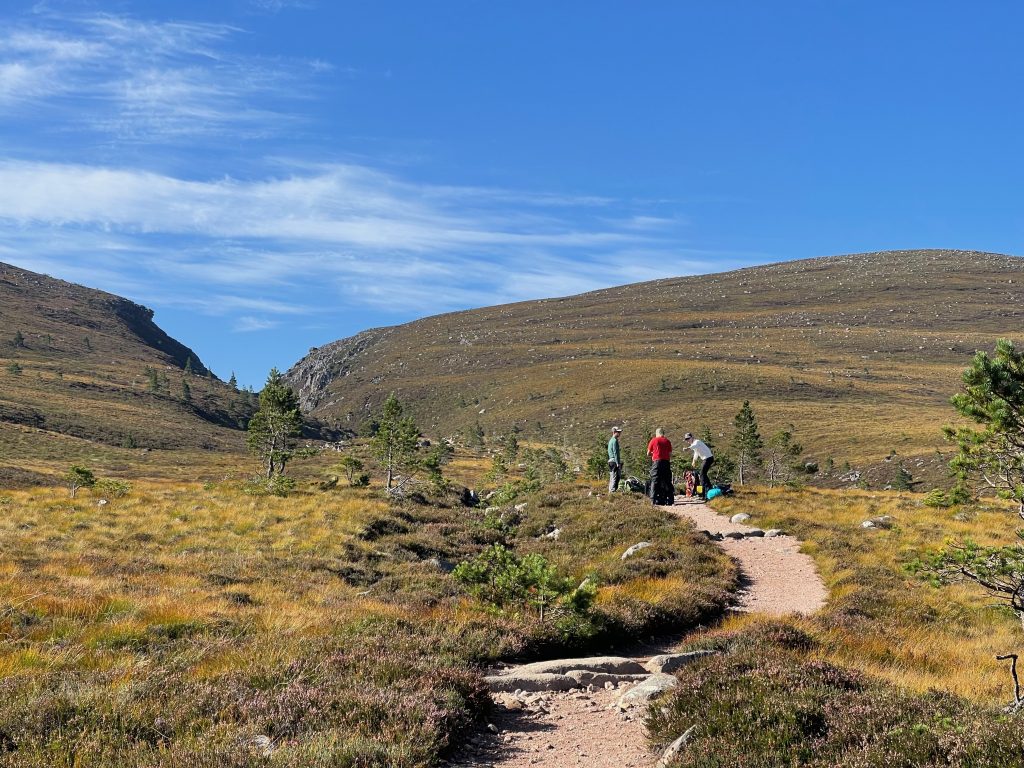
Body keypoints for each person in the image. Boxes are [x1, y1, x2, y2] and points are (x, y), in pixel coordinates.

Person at [646, 428, 673, 505]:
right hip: (666, 462)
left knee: (655, 480)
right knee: (667, 481)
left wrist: (653, 454)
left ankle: (653, 500)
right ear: (663, 433)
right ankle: (670, 500)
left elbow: (648, 453)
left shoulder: (654, 440)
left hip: (657, 462)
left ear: (657, 433)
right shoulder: (667, 441)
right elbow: (670, 454)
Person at [684, 432, 714, 500]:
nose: (687, 440)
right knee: (703, 474)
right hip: (707, 459)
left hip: (708, 458)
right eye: (686, 439)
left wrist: (688, 448)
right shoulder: (694, 444)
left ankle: (704, 494)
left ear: (692, 437)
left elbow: (694, 447)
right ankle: (709, 489)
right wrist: (694, 461)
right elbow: (696, 452)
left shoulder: (697, 442)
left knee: (702, 475)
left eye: (688, 438)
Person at [607, 426, 623, 493]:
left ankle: (611, 491)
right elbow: (615, 452)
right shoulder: (614, 441)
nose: (619, 433)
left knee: (612, 477)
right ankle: (613, 492)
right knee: (615, 477)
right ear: (614, 432)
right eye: (618, 432)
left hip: (611, 461)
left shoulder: (611, 440)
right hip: (614, 461)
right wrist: (617, 463)